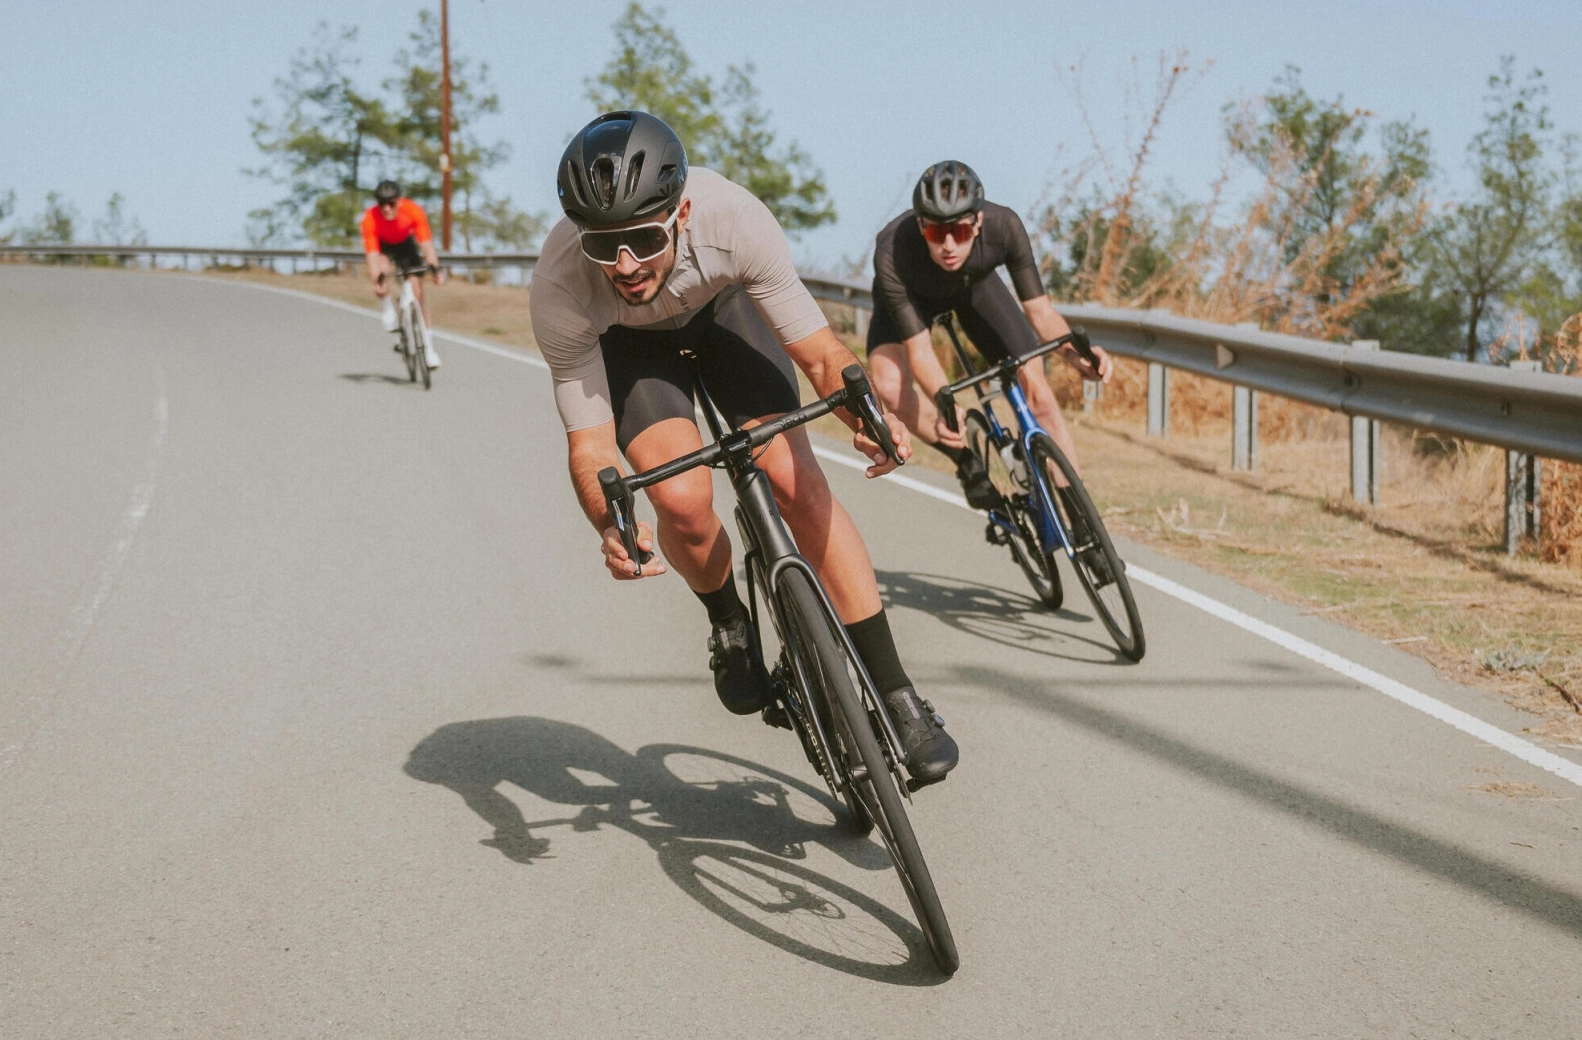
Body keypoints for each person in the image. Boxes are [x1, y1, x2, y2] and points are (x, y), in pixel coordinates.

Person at [530, 111, 958, 786]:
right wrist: (610, 523)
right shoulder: (560, 284)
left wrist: (867, 413)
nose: (624, 264)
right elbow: (589, 446)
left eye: (643, 239)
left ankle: (899, 694)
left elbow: (819, 353)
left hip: (727, 310)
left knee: (796, 482)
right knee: (680, 497)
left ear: (683, 209)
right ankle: (728, 620)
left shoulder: (734, 218)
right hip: (633, 348)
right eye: (601, 246)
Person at [866, 160, 1112, 507]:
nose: (949, 245)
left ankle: (1080, 514)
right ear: (921, 226)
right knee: (889, 388)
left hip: (975, 290)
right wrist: (943, 401)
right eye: (936, 233)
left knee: (1038, 391)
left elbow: (1041, 312)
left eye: (961, 232)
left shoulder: (1005, 225)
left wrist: (1076, 356)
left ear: (978, 222)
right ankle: (966, 459)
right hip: (910, 298)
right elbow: (920, 350)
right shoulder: (892, 251)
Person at [361, 180, 445, 369]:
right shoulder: (370, 218)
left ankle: (429, 349)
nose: (387, 208)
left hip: (406, 246)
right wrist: (377, 281)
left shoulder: (413, 210)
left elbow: (426, 244)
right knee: (382, 272)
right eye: (382, 204)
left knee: (417, 290)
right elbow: (372, 256)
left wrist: (436, 269)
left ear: (399, 201)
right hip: (384, 247)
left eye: (391, 203)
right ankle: (388, 308)